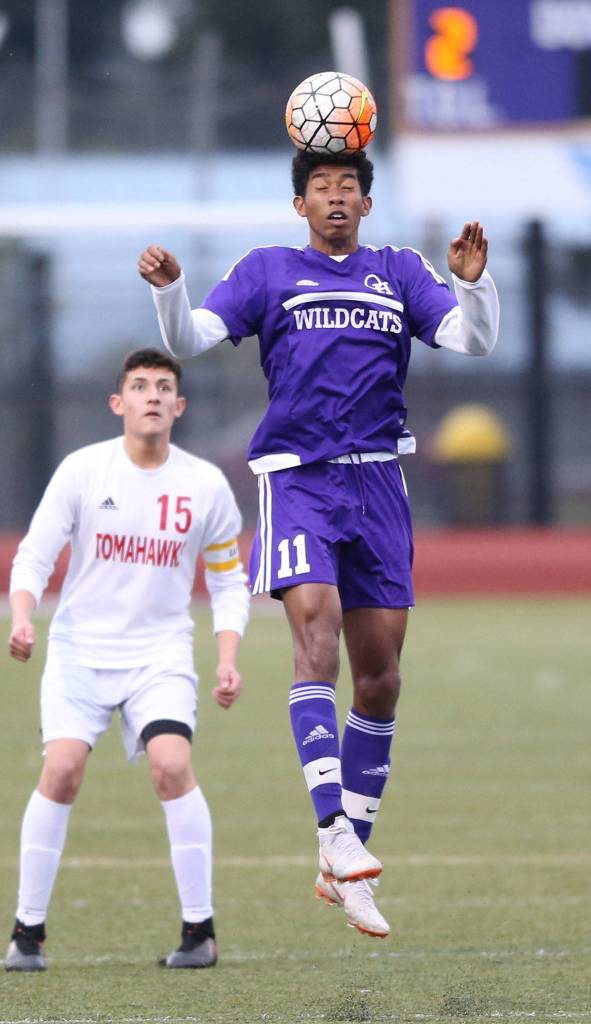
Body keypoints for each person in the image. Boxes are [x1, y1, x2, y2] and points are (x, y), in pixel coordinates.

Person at [138, 149, 500, 939]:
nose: (335, 199)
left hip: (379, 485)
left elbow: (471, 342)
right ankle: (332, 827)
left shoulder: (397, 270)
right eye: (321, 189)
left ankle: (345, 866)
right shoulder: (268, 270)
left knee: (380, 680)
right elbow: (194, 336)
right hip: (298, 477)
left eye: (347, 189)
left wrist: (472, 282)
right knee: (316, 636)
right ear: (299, 204)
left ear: (366, 204)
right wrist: (170, 292)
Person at [5, 347, 249, 972]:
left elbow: (227, 581)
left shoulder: (204, 486)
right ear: (118, 403)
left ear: (179, 406)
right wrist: (24, 616)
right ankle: (26, 934)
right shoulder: (84, 471)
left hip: (158, 654)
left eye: (164, 387)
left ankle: (200, 932)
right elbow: (33, 555)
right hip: (80, 650)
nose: (151, 396)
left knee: (171, 764)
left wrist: (228, 657)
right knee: (61, 771)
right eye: (139, 386)